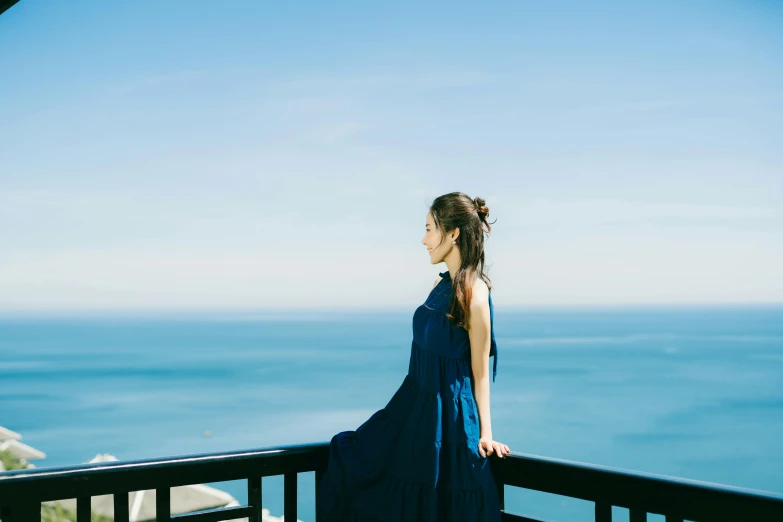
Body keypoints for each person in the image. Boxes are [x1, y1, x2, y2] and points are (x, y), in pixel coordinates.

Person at [316, 191, 510, 521]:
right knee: (352, 459)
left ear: (452, 234)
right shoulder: (439, 284)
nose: (424, 239)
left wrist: (486, 433)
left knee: (437, 507)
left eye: (429, 228)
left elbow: (479, 372)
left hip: (448, 422)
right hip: (412, 410)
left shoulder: (475, 294)